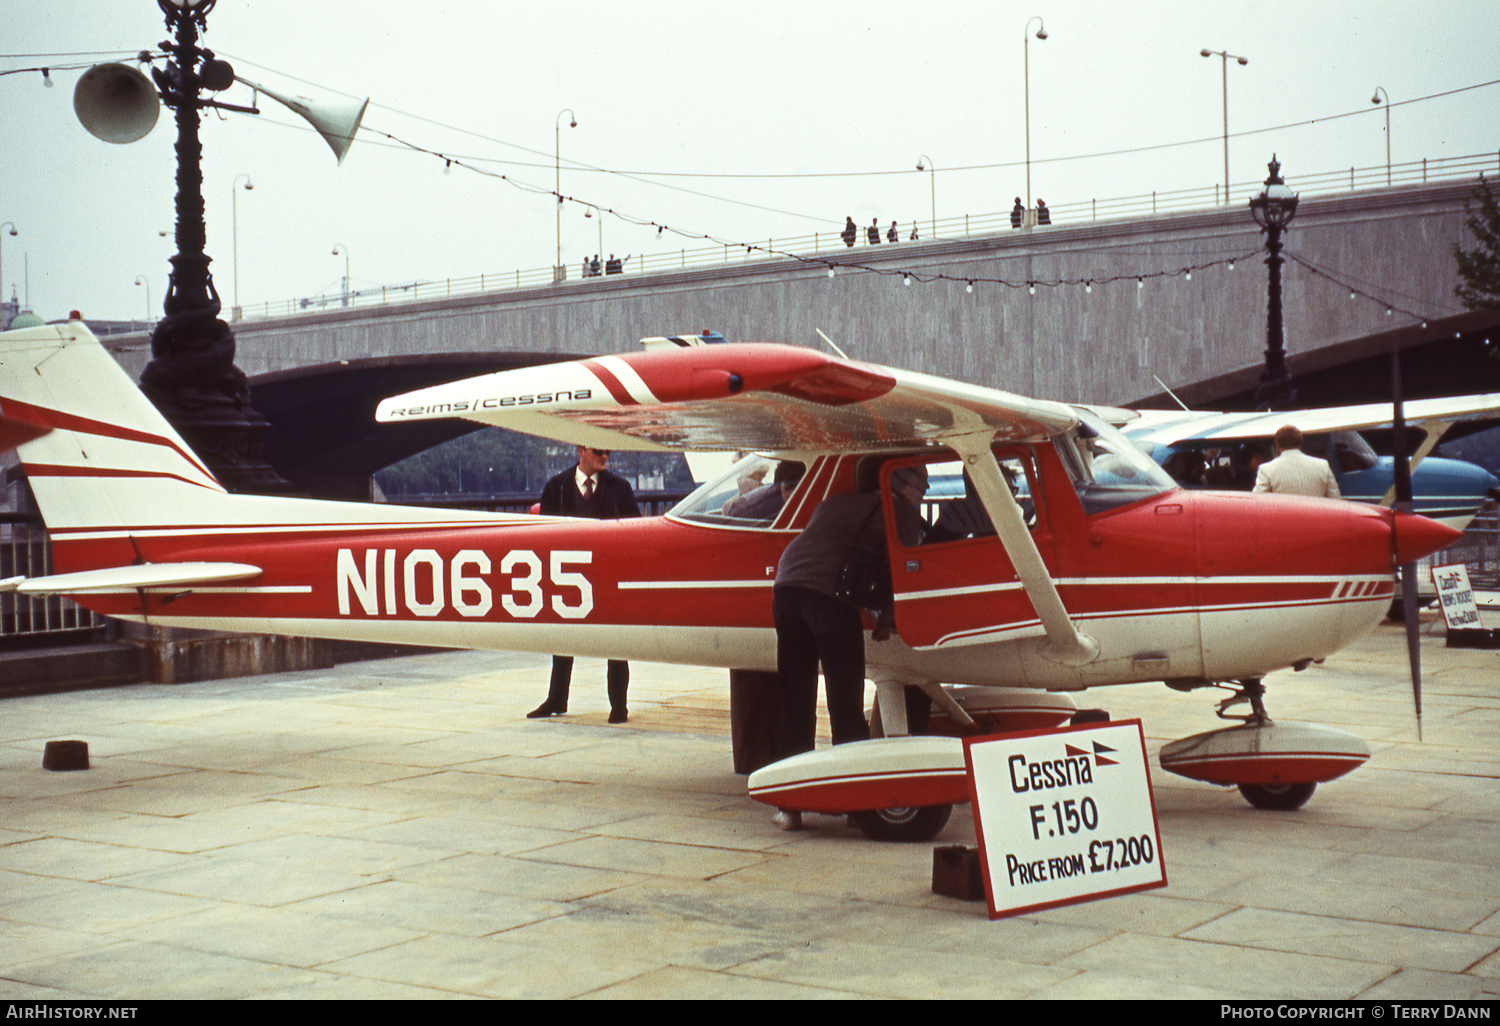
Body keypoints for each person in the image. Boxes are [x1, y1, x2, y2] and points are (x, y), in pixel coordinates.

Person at [767, 463, 926, 830]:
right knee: (845, 699)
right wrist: (886, 621)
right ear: (905, 486)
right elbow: (905, 567)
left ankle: (788, 806)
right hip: (827, 599)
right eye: (923, 486)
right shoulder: (900, 510)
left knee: (797, 698)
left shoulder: (836, 502)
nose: (925, 494)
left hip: (786, 589)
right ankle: (857, 805)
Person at [529, 446, 641, 723]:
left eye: (608, 452)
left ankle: (619, 705)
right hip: (568, 575)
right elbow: (544, 536)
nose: (605, 457)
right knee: (563, 636)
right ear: (581, 450)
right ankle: (557, 699)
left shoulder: (621, 488)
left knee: (616, 640)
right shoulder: (556, 487)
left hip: (608, 574)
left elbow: (636, 531)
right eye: (599, 451)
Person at [1253, 426, 1341, 498]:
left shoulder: (1266, 469)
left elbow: (1258, 501)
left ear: (1277, 444)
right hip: (1318, 518)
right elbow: (1335, 499)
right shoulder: (1322, 465)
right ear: (1300, 442)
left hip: (1284, 518)